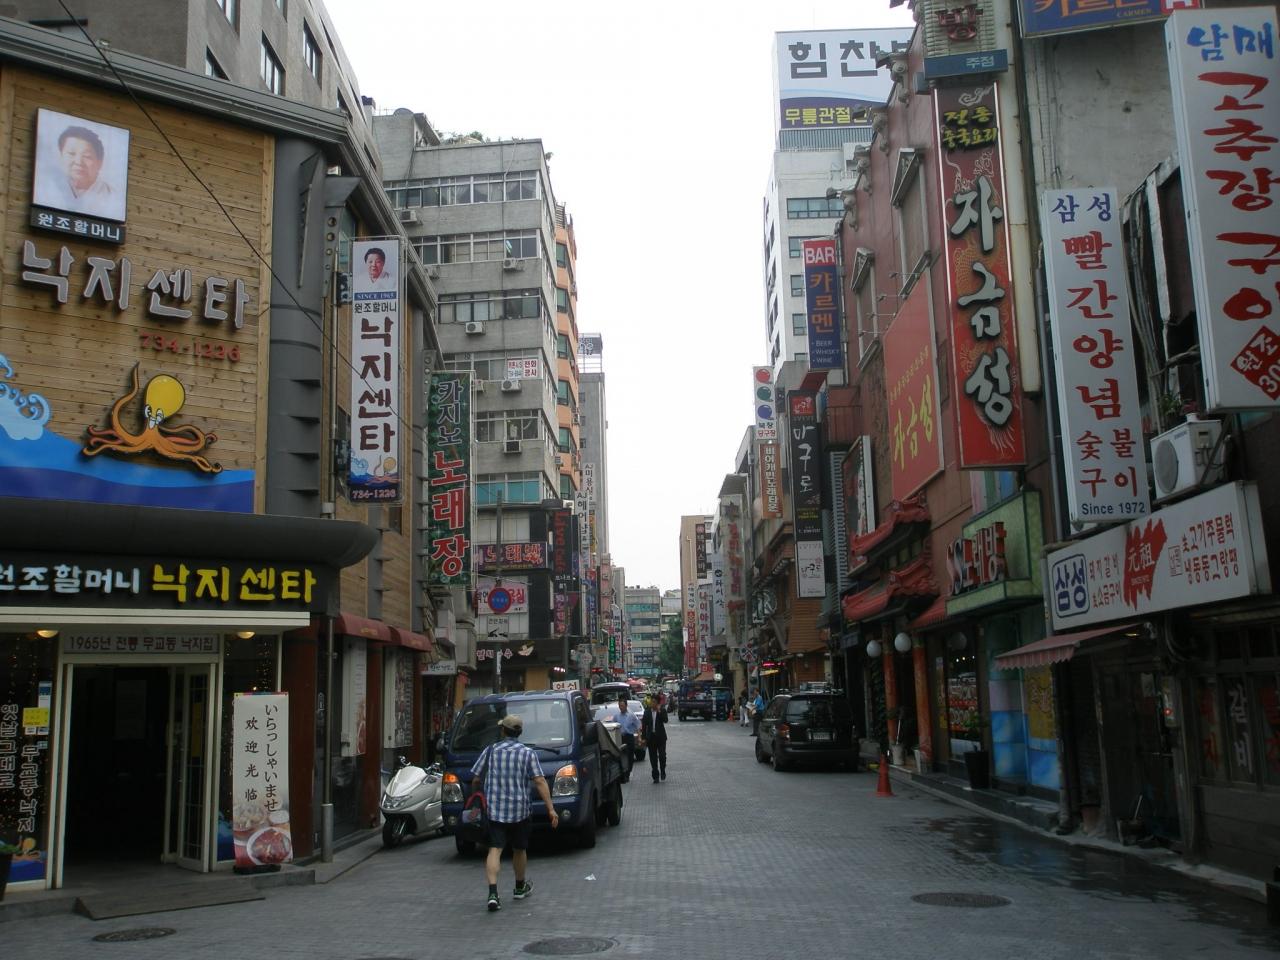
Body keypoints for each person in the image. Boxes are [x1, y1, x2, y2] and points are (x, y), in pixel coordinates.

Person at [469, 713, 559, 912]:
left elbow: (476, 777)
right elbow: (539, 781)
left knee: (495, 849)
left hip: (495, 810)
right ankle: (519, 887)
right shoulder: (528, 753)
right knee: (519, 849)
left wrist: (477, 793)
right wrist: (551, 809)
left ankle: (493, 894)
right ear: (520, 732)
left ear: (503, 731)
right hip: (520, 810)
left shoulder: (490, 751)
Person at [47, 125, 117, 218]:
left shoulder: (114, 199)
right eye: (71, 153)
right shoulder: (46, 188)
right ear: (61, 156)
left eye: (87, 156)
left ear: (100, 163)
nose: (78, 162)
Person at [613, 692, 640, 782]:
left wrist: (639, 737)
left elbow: (638, 725)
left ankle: (628, 772)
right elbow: (613, 726)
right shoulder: (616, 716)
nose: (621, 707)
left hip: (629, 737)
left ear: (626, 706)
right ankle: (623, 773)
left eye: (622, 706)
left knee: (629, 756)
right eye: (620, 706)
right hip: (620, 738)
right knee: (621, 756)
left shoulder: (631, 715)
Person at [641, 694, 668, 783]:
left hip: (661, 738)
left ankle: (663, 770)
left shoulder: (662, 710)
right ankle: (655, 776)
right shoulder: (647, 712)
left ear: (657, 703)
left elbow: (665, 720)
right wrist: (643, 738)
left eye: (654, 702)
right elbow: (644, 725)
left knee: (662, 756)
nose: (652, 703)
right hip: (651, 738)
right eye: (651, 702)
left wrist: (659, 711)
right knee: (653, 758)